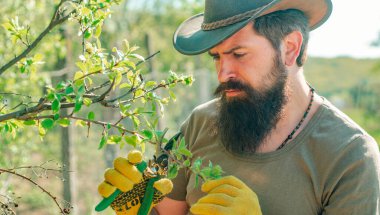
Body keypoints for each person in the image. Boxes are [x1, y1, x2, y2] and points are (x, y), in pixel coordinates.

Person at [98, 0, 380, 214]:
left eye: (238, 54)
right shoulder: (201, 122)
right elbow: (169, 210)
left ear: (290, 48)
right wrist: (138, 204)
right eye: (216, 57)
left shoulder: (350, 154)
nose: (223, 73)